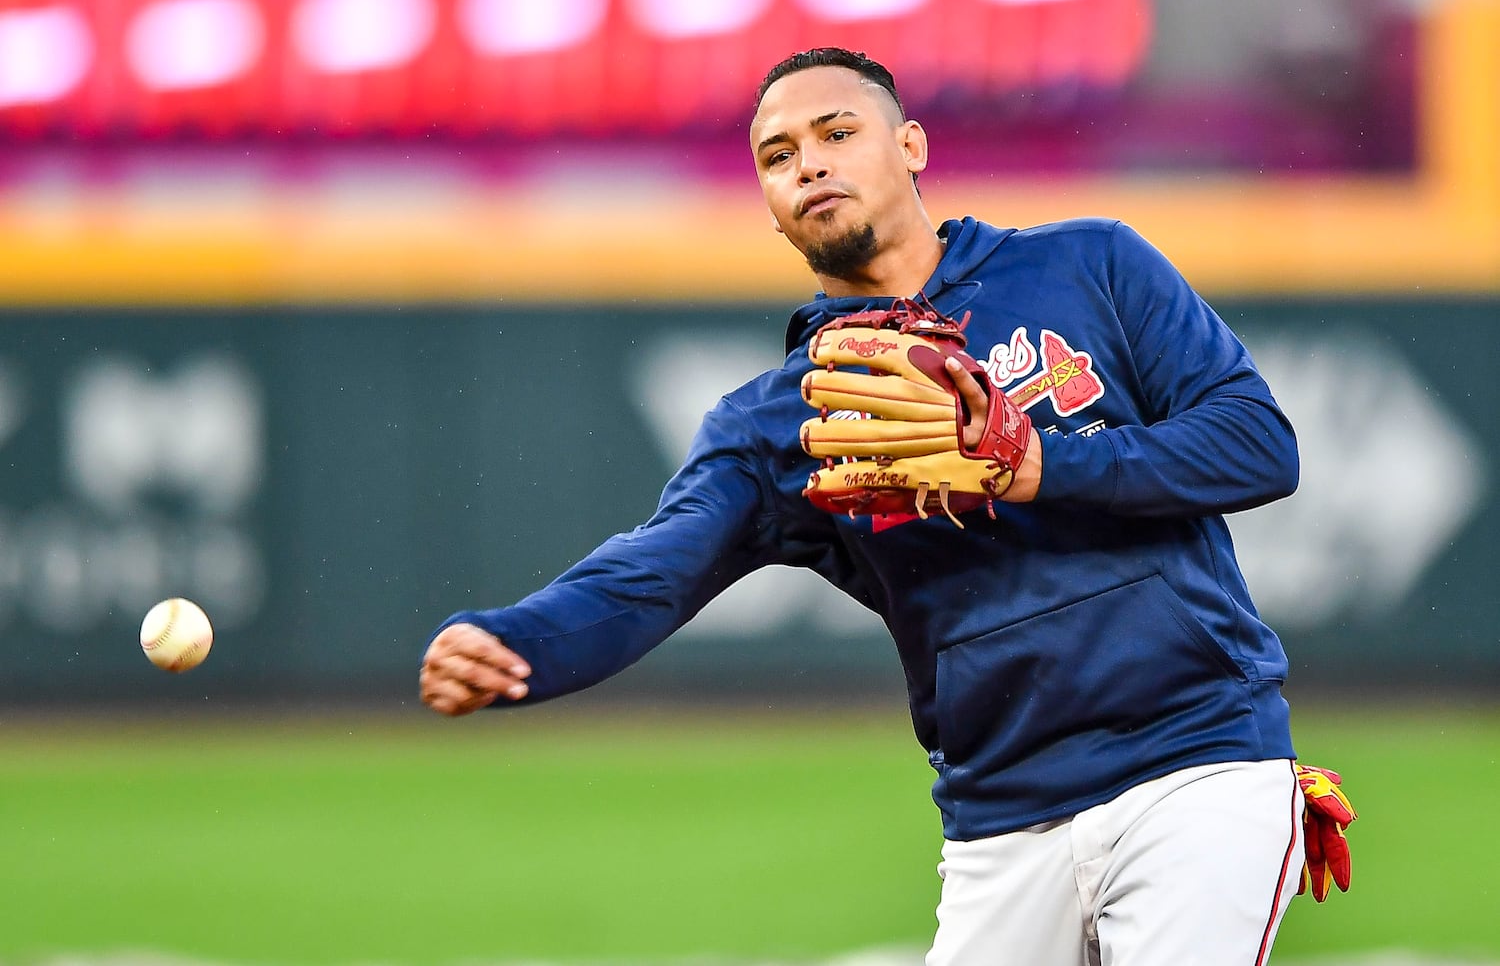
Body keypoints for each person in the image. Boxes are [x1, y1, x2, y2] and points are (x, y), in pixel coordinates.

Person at [420, 47, 1313, 965]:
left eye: (837, 133)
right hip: (998, 822)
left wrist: (1037, 463)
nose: (808, 163)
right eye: (777, 155)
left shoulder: (1088, 264)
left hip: (1196, 765)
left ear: (911, 145)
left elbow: (1256, 443)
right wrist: (520, 641)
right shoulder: (780, 421)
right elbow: (654, 573)